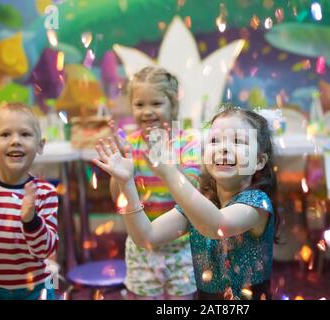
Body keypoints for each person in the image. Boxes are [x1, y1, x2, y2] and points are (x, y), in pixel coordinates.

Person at [94, 106, 278, 300]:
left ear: (259, 161)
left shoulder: (257, 204)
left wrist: (170, 173)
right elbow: (144, 237)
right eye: (215, 140)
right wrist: (126, 183)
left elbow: (216, 226)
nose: (223, 148)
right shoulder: (201, 202)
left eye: (238, 141)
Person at [108, 66, 200, 300]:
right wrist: (118, 172)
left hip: (182, 246)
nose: (147, 112)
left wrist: (170, 164)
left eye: (156, 104)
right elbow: (117, 201)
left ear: (173, 106)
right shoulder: (129, 145)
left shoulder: (187, 143)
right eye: (140, 105)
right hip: (142, 249)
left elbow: (194, 193)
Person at [0, 103, 58, 300]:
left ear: (40, 145)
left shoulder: (45, 193)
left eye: (25, 134)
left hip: (35, 290)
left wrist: (31, 220)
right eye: (5, 134)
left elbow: (45, 250)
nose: (15, 141)